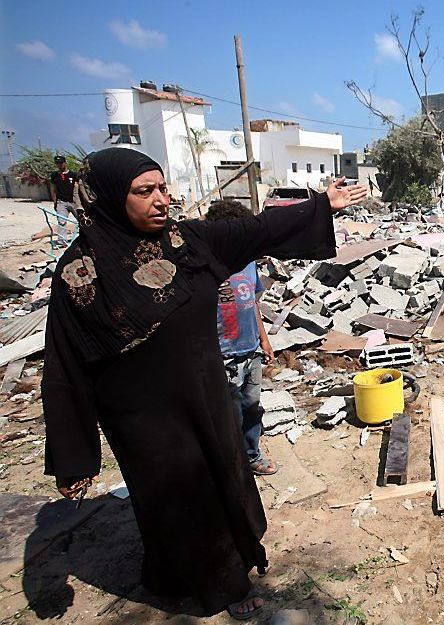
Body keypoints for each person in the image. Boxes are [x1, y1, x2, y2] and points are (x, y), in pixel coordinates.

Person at [41, 148, 366, 620]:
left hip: (207, 396)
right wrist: (75, 456)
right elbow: (66, 368)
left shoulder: (187, 243)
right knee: (172, 500)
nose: (161, 200)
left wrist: (320, 206)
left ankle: (225, 566)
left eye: (163, 187)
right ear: (110, 198)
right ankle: (215, 583)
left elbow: (256, 231)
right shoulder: (79, 274)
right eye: (144, 191)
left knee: (222, 478)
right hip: (143, 419)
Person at [205, 199, 277, 476]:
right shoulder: (208, 267)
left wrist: (264, 339)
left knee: (251, 408)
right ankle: (231, 466)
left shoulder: (248, 264)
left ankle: (251, 455)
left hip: (251, 351)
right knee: (229, 415)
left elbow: (253, 304)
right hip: (223, 356)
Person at [49, 155, 78, 245]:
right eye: (57, 163)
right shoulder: (54, 175)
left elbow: (77, 188)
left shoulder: (73, 174)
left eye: (61, 163)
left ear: (65, 163)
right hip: (61, 202)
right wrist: (55, 202)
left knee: (81, 220)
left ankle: (87, 237)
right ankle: (62, 241)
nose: (59, 165)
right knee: (61, 222)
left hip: (73, 202)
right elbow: (53, 189)